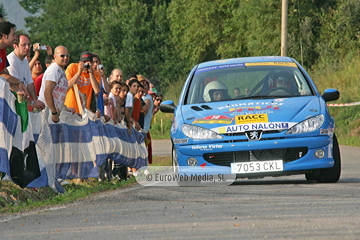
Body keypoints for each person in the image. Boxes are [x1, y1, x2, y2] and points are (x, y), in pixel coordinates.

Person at [7, 32, 45, 110]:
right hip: (10, 105)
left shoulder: (24, 61)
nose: (27, 47)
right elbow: (15, 88)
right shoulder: (11, 61)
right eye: (24, 45)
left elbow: (30, 84)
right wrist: (32, 103)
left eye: (29, 44)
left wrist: (35, 101)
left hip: (20, 104)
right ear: (15, 46)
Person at [38, 46, 70, 123]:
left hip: (53, 112)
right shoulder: (54, 70)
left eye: (67, 55)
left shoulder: (60, 70)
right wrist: (54, 112)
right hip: (47, 113)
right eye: (62, 56)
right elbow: (47, 92)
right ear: (55, 57)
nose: (65, 58)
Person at [0, 21, 28, 95]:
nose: (15, 38)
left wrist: (17, 83)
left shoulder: (3, 50)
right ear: (5, 36)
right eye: (13, 35)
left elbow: (3, 72)